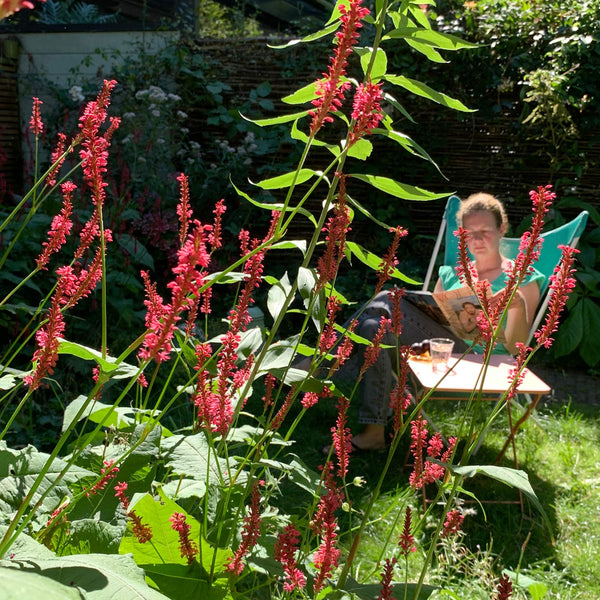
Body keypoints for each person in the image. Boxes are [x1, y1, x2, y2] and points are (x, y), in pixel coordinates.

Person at [306, 192, 544, 452]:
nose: (476, 240)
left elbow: (515, 347)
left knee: (387, 298)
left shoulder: (524, 278)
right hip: (438, 352)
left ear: (502, 229)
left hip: (484, 359)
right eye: (469, 233)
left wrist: (517, 304)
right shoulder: (452, 273)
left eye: (485, 231)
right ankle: (374, 433)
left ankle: (317, 364)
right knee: (373, 328)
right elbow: (434, 317)